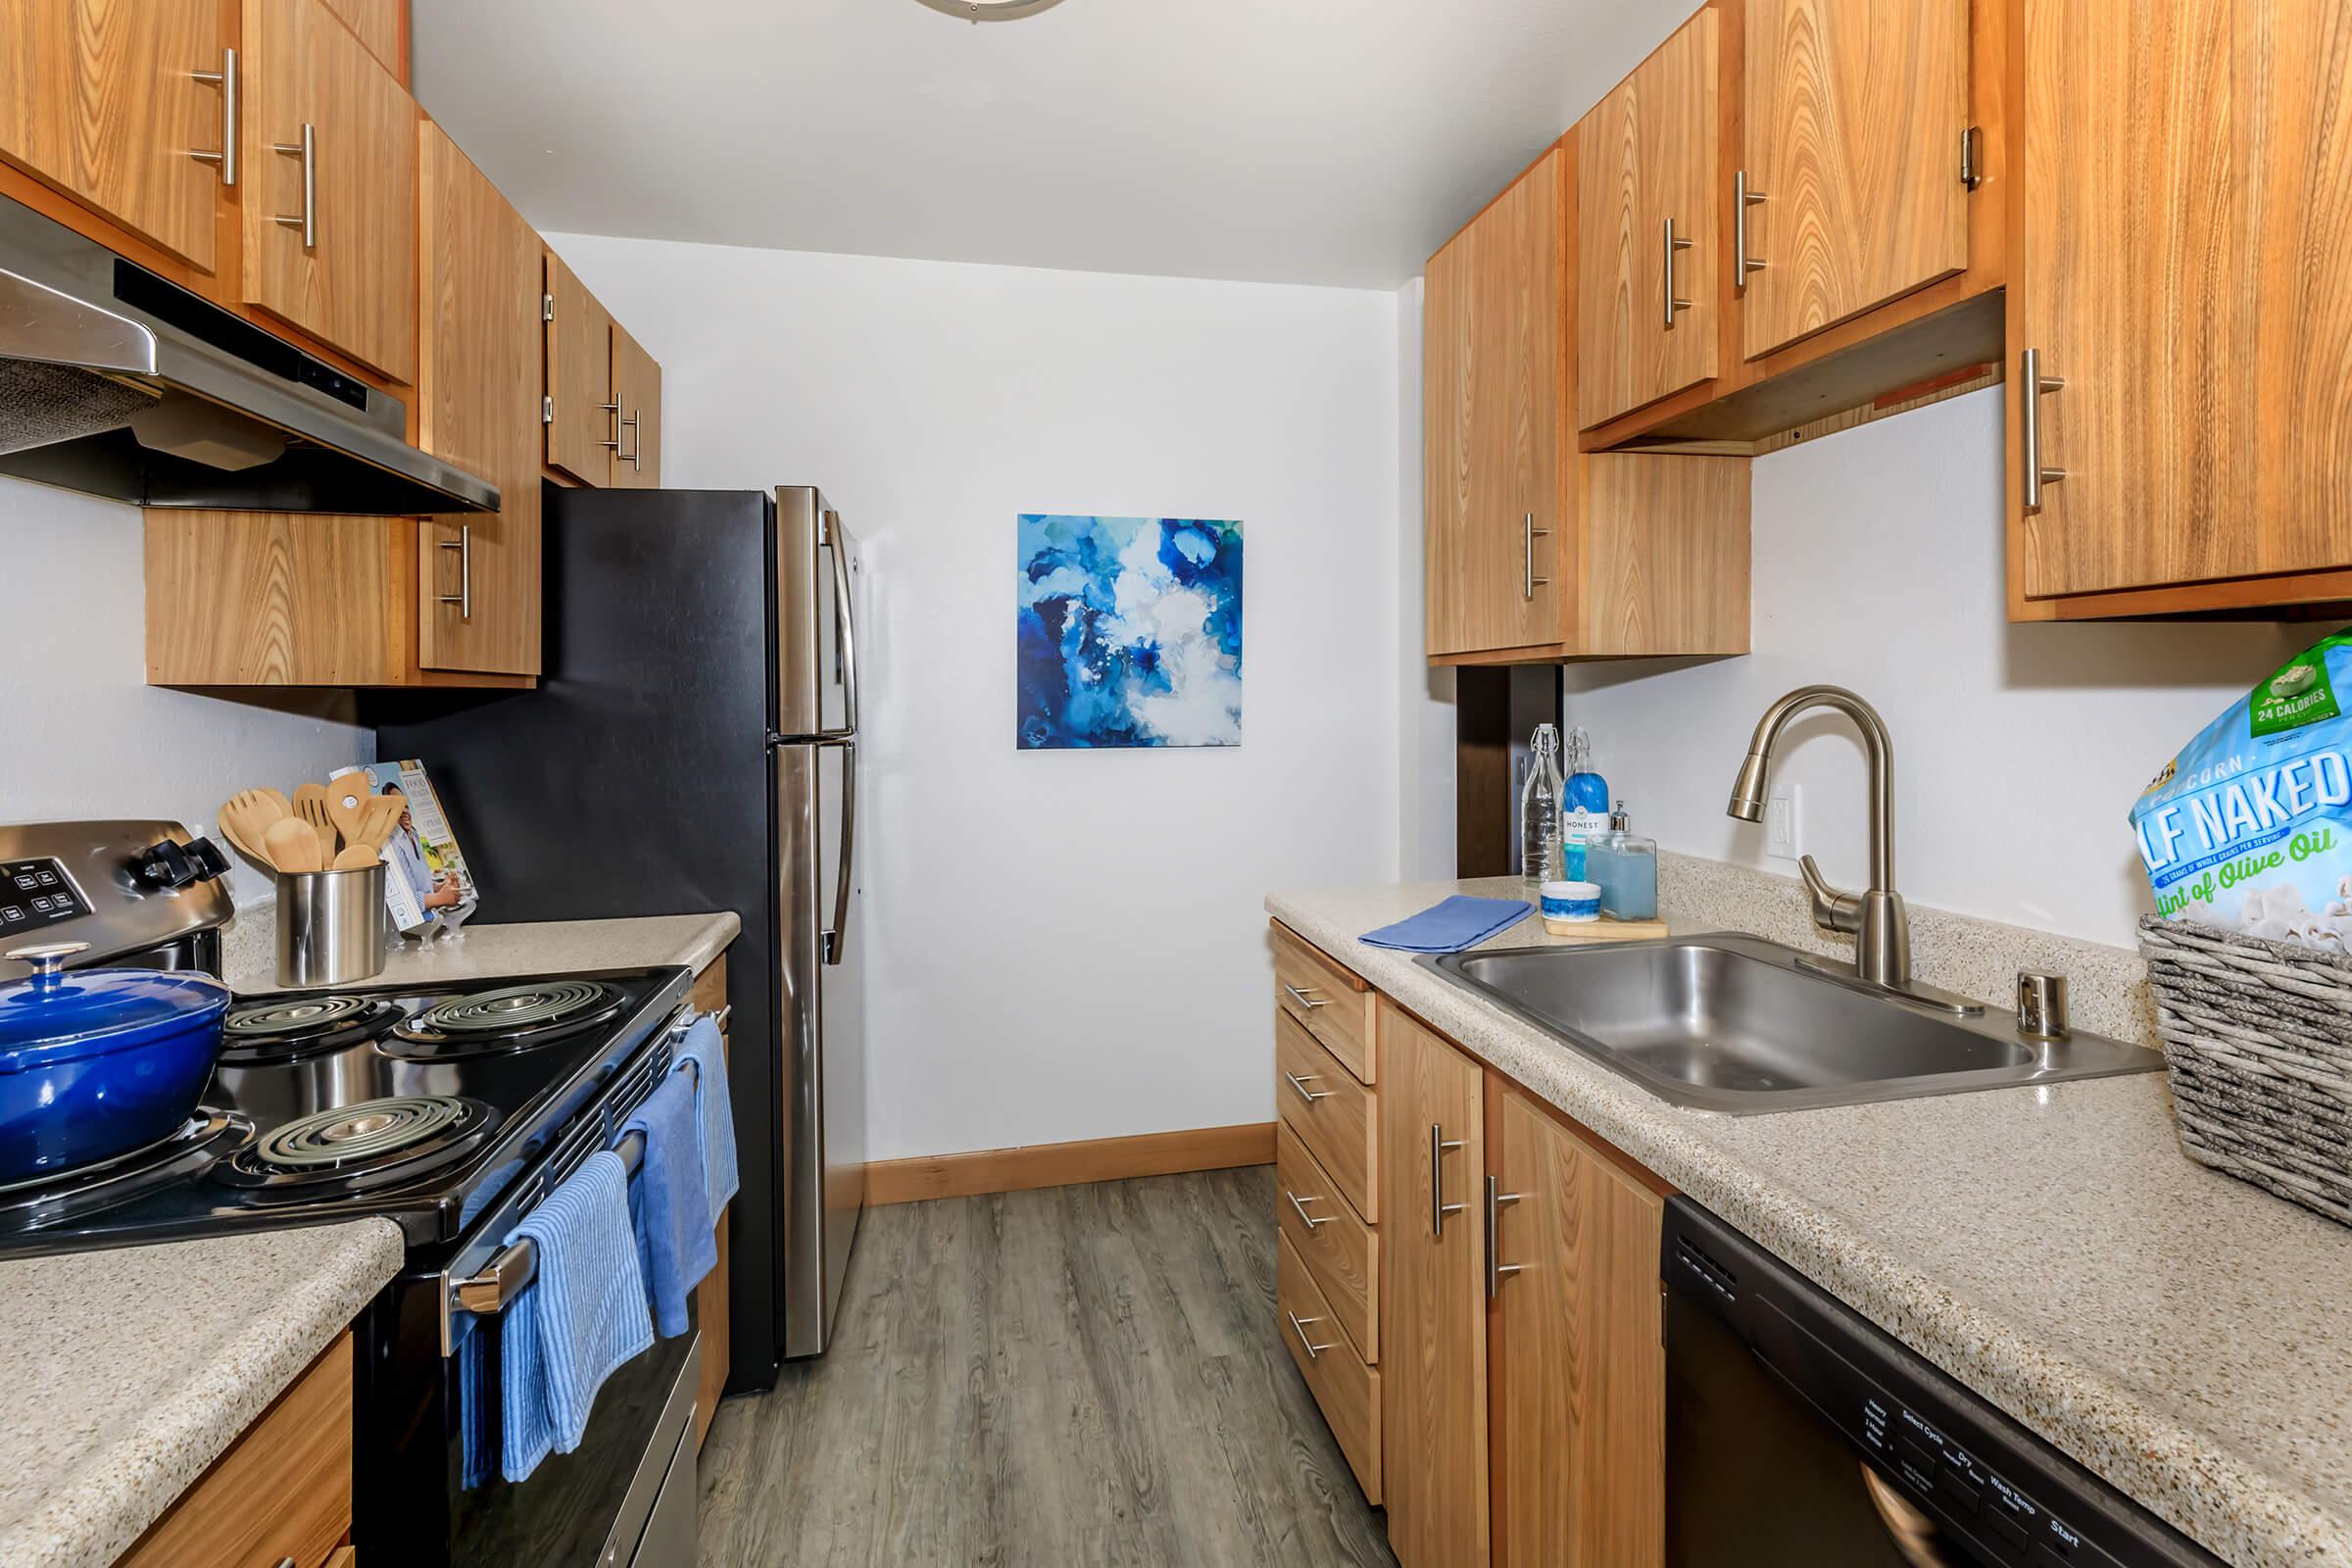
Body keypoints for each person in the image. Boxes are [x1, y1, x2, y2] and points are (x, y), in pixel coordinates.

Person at [381, 780, 466, 912]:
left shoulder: (414, 835)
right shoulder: (391, 846)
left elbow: (418, 884)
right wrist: (439, 899)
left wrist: (439, 887)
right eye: (398, 806)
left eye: (406, 806)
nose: (404, 811)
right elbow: (405, 898)